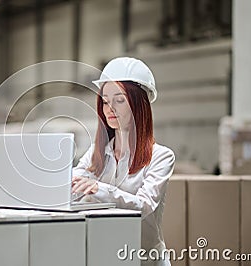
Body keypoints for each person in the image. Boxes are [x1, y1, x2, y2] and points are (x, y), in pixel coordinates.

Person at [72, 57, 175, 265]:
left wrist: (98, 189)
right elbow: (73, 187)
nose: (109, 109)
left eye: (119, 100)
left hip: (145, 259)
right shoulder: (96, 154)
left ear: (139, 104)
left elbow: (144, 206)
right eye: (105, 101)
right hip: (106, 256)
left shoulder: (161, 157)